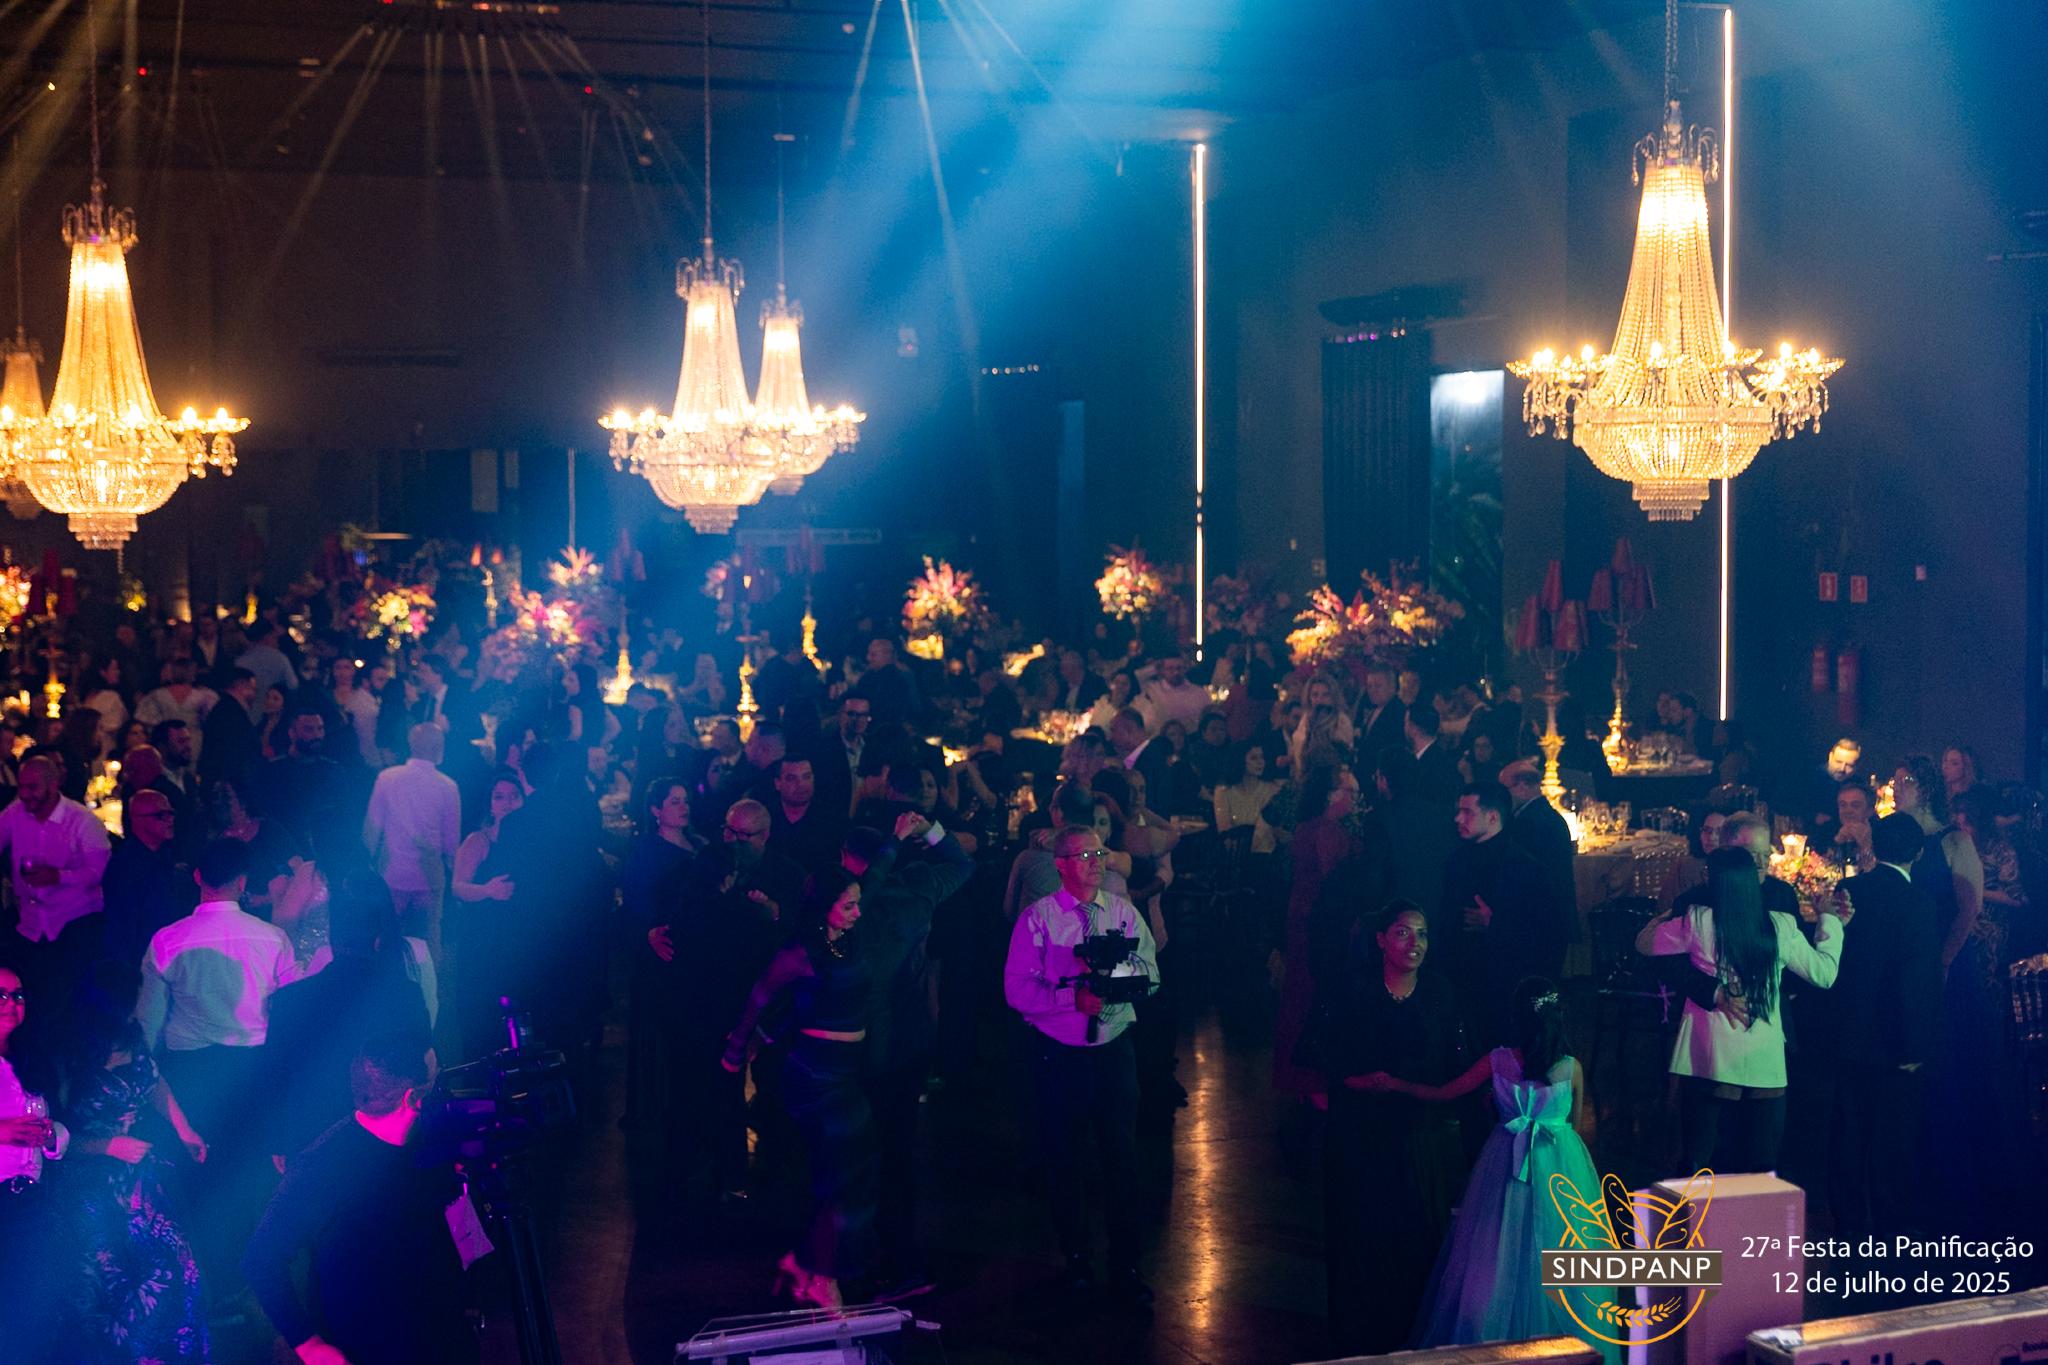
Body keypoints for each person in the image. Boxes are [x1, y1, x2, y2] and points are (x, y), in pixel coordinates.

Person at [1353, 977, 1618, 1362]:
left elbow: (1444, 1093)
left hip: (1504, 1161)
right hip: (1559, 1166)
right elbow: (1573, 1128)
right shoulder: (1571, 1068)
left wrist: (1396, 1084)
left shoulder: (1498, 1061)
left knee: (1495, 1249)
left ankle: (1491, 1337)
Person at [244, 1034, 477, 1365]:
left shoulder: (433, 1140)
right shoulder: (322, 1166)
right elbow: (260, 1259)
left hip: (438, 1332)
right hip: (368, 1344)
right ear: (414, 1097)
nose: (443, 1084)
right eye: (435, 1077)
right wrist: (309, 1346)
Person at [138, 840, 312, 1281]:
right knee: (254, 1173)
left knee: (203, 1176)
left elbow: (147, 1026)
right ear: (243, 881)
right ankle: (261, 1276)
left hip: (191, 1072)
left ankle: (217, 1277)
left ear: (198, 876)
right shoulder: (272, 938)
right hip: (254, 1067)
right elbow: (290, 1016)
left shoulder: (167, 940)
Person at [1003, 824, 1160, 1305]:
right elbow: (1017, 990)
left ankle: (1126, 1264)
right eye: (1083, 855)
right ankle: (1076, 1263)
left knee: (1122, 1159)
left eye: (1099, 852)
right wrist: (1071, 998)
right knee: (1064, 1159)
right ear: (1060, 864)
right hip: (1060, 1053)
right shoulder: (1039, 919)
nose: (1095, 862)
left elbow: (1151, 974)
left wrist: (1112, 984)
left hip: (1113, 1049)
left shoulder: (1122, 912)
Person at [1636, 847, 1848, 1172]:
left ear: (1713, 880)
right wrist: (1830, 922)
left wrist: (1664, 916)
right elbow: (1825, 974)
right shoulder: (1781, 926)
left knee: (1699, 1156)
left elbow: (1645, 943)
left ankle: (1697, 1205)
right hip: (1763, 1056)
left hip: (1710, 1054)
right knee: (1761, 1163)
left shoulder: (1698, 920)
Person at [724, 872, 878, 1310]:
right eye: (848, 905)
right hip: (814, 1077)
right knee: (842, 1177)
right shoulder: (800, 952)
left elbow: (811, 1002)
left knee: (854, 1172)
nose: (858, 912)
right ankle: (821, 1277)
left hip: (844, 1074)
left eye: (858, 903)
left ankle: (806, 1261)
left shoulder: (847, 941)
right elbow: (759, 998)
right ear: (823, 906)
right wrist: (736, 1050)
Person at [1323, 902, 1471, 1354]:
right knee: (1365, 1231)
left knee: (1416, 1231)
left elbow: (1455, 1063)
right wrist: (1359, 1083)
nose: (1415, 944)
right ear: (1381, 939)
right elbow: (1327, 1060)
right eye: (1404, 933)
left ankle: (1414, 1325)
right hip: (1363, 1133)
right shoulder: (1356, 992)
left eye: (1422, 934)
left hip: (1418, 1133)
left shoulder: (1439, 993)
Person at [57, 959, 212, 1362]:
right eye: (135, 993)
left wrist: (184, 1128)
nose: (142, 999)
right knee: (114, 1287)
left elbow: (155, 1082)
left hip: (140, 1180)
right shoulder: (68, 1055)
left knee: (177, 1268)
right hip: (93, 1189)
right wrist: (108, 1146)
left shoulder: (132, 1032)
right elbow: (52, 1138)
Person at [653, 798, 799, 1201]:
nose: (734, 840)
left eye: (743, 834)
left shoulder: (785, 874)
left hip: (714, 1014)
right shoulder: (726, 908)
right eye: (729, 832)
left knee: (714, 1090)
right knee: (721, 1092)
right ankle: (731, 1175)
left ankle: (695, 1172)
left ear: (765, 835)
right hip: (728, 1014)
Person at [1825, 814, 1942, 1239]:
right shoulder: (1919, 903)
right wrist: (1916, 1046)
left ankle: (1848, 1221)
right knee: (1893, 1136)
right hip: (1895, 1039)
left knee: (1848, 1132)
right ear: (1919, 853)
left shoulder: (1848, 891)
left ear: (1874, 846)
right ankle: (1890, 1225)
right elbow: (1916, 981)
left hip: (1849, 1033)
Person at [262, 875, 432, 1161]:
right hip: (384, 1133)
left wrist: (280, 1144)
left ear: (332, 938)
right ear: (377, 939)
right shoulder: (404, 994)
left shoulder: (290, 999)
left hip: (313, 1137)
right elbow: (421, 1061)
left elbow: (274, 1079)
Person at [1273, 759, 1361, 1101]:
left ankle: (1297, 1075)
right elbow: (1331, 883)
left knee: (1299, 994)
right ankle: (1312, 1080)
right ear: (1330, 794)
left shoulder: (1308, 826)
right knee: (1312, 994)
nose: (1354, 798)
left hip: (1301, 919)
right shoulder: (1328, 831)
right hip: (1318, 924)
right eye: (1349, 791)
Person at [1441, 784, 1554, 1042]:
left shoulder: (1525, 868)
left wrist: (1496, 924)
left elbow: (1544, 932)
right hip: (1461, 978)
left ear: (1492, 817)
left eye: (1467, 812)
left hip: (1502, 984)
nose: (1458, 818)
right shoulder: (1455, 860)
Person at [0, 956, 71, 1362]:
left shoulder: (31, 1059)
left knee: (34, 1314)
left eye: (18, 995)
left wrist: (51, 1136)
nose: (11, 1003)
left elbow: (57, 1123)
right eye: (0, 995)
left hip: (31, 1200)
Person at [0, 753, 111, 993]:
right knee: (34, 993)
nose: (25, 794)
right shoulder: (16, 813)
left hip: (74, 924)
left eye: (32, 787)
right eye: (21, 787)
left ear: (53, 785)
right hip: (30, 924)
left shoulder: (82, 820)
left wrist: (58, 877)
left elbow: (97, 873)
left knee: (69, 996)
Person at [363, 722, 462, 962]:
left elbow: (372, 830)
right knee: (429, 941)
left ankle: (386, 980)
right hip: (428, 877)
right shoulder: (448, 787)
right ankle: (428, 983)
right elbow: (451, 843)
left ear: (411, 744)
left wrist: (368, 865)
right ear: (439, 747)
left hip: (391, 873)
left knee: (387, 936)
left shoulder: (387, 778)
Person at [102, 788, 192, 969]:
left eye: (171, 813)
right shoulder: (126, 866)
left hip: (169, 951)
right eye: (161, 815)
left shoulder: (166, 854)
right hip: (144, 958)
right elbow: (123, 925)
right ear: (138, 820)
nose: (170, 820)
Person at [1501, 760, 1579, 965]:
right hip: (1553, 919)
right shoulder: (1548, 816)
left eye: (1504, 788)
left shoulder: (1529, 822)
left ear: (1522, 786)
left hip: (1539, 922)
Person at [768, 754, 846, 883]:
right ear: (778, 783)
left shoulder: (833, 819)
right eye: (791, 779)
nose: (801, 785)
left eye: (806, 777)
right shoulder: (765, 818)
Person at [1212, 741, 1281, 854]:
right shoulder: (1224, 792)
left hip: (1267, 855)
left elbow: (1275, 830)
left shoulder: (1272, 790)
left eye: (1262, 757)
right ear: (1240, 760)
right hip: (1236, 855)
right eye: (1253, 758)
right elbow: (1225, 832)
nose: (1260, 762)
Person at [200, 668, 263, 792]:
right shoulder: (230, 713)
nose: (254, 695)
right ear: (241, 686)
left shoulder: (226, 709)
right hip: (231, 785)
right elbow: (232, 752)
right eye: (252, 689)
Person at [1288, 670, 1355, 776]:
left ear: (1333, 697)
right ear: (1309, 697)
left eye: (1325, 695)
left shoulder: (1341, 721)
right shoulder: (1306, 719)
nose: (1319, 700)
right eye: (1315, 695)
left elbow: (1345, 757)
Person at [1108, 705, 1172, 805]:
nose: (1111, 737)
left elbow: (1147, 802)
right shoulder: (1149, 755)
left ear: (1130, 730)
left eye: (1114, 730)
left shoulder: (1149, 761)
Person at [1135, 652, 1208, 735]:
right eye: (1170, 668)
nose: (1176, 672)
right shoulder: (1153, 689)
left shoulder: (1199, 693)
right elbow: (1139, 676)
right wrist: (1155, 667)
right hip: (1162, 739)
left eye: (1179, 668)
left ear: (1185, 669)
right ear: (1162, 670)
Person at [1406, 704, 1459, 807]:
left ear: (1413, 729)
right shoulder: (1434, 757)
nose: (1403, 727)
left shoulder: (1436, 764)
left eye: (1405, 723)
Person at [1355, 662, 1407, 760]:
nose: (1372, 690)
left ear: (1392, 687)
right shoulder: (1374, 709)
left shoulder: (1399, 713)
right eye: (1369, 686)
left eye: (1378, 686)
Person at [235, 618, 298, 697]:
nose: (277, 643)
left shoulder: (240, 661)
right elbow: (293, 685)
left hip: (247, 704)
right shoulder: (280, 659)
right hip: (271, 704)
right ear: (267, 637)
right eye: (275, 637)